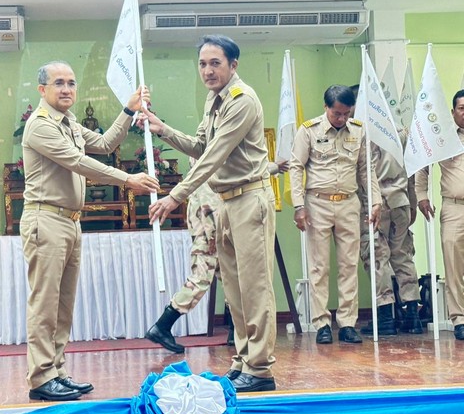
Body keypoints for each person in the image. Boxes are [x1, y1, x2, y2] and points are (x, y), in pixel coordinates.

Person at [141, 34, 277, 393]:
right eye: (202, 64)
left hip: (249, 199)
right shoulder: (214, 100)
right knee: (235, 289)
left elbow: (214, 156)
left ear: (233, 65)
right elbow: (200, 146)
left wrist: (175, 196)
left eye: (215, 63)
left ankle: (261, 369)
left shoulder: (241, 100)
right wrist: (162, 129)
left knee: (255, 288)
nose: (207, 70)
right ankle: (244, 360)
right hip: (225, 202)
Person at [20, 60, 159, 402]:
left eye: (71, 83)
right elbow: (78, 162)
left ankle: (56, 371)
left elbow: (107, 144)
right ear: (42, 89)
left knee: (63, 305)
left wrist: (129, 109)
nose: (67, 89)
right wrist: (127, 179)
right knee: (45, 304)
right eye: (59, 83)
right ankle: (41, 377)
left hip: (69, 221)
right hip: (45, 220)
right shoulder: (40, 125)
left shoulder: (69, 122)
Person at [145, 159, 288, 353]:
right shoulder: (211, 156)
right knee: (202, 277)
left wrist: (272, 167)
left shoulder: (207, 154)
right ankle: (163, 324)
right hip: (210, 219)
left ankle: (236, 332)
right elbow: (230, 174)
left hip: (206, 215)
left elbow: (237, 169)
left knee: (230, 276)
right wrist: (214, 234)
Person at [289, 85, 381, 345]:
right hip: (317, 203)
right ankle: (321, 324)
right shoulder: (309, 130)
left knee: (349, 265)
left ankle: (348, 324)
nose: (341, 119)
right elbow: (296, 167)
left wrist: (375, 201)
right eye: (337, 113)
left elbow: (366, 169)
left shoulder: (359, 130)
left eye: (346, 114)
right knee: (319, 266)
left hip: (349, 204)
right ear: (326, 107)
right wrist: (298, 205)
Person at [357, 133, 423, 336]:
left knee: (377, 258)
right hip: (401, 200)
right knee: (403, 256)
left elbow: (362, 171)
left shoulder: (363, 132)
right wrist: (412, 203)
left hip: (375, 204)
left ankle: (386, 317)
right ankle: (413, 315)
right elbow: (411, 170)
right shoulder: (400, 132)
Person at [416, 89, 464, 341]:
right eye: (462, 109)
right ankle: (460, 319)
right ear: (453, 112)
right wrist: (421, 195)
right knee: (453, 265)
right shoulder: (442, 137)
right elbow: (423, 165)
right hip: (455, 207)